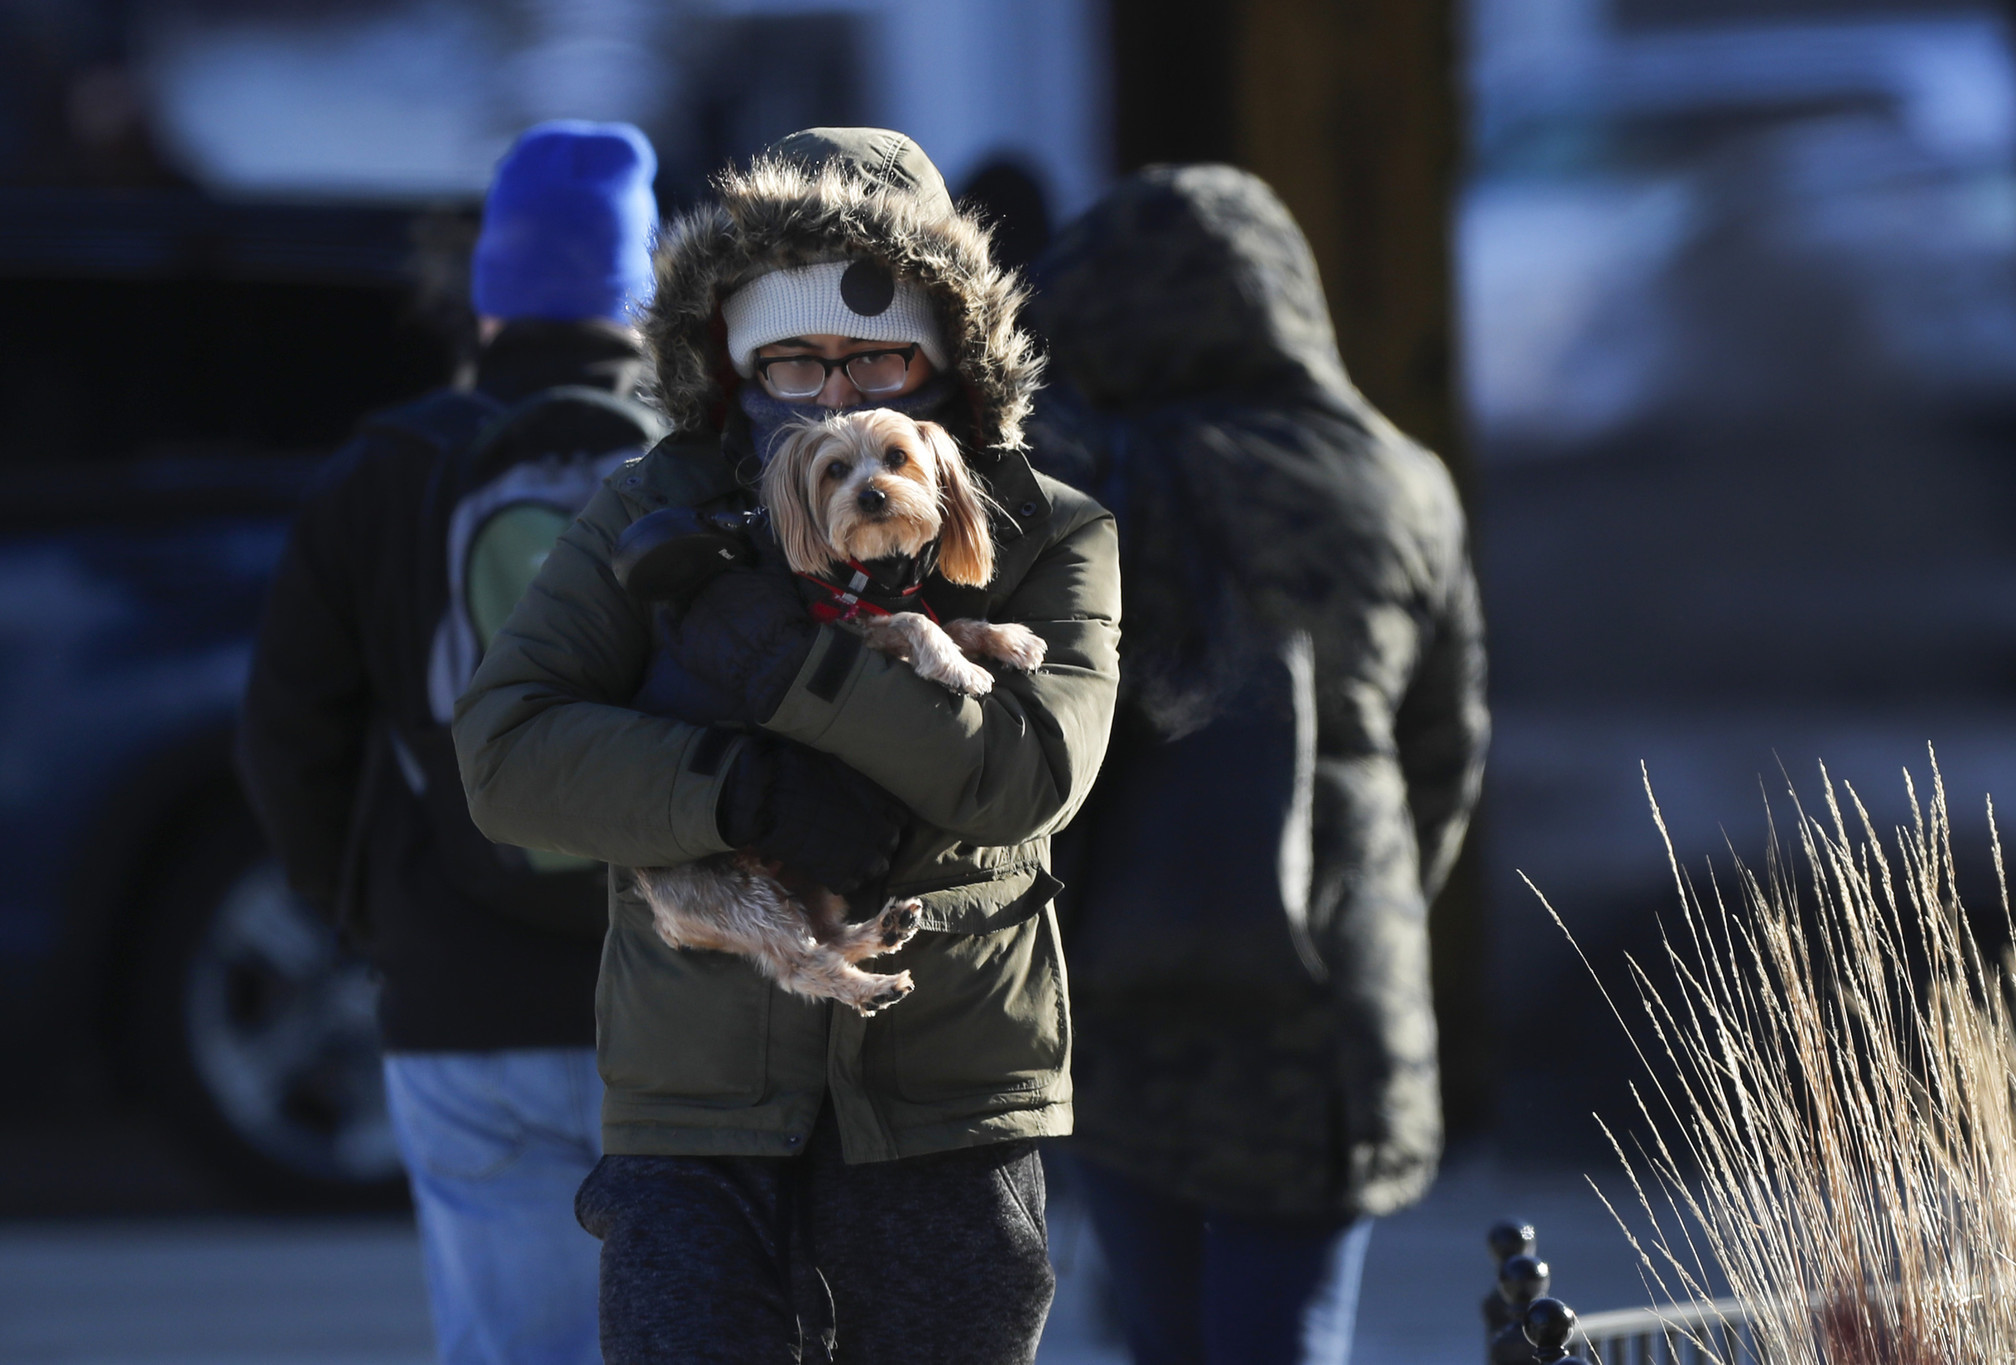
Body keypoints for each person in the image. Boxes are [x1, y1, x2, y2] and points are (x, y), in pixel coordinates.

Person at [450, 127, 1121, 1364]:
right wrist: (734, 788)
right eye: (796, 364)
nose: (840, 395)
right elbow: (506, 750)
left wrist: (790, 666)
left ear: (945, 352)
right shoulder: (644, 512)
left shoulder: (1045, 530)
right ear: (736, 359)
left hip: (944, 1088)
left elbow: (1028, 775)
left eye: (875, 357)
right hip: (696, 1092)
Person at [1025, 165, 1490, 1365]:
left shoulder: (1089, 476)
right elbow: (1443, 749)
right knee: (1289, 1334)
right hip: (1330, 993)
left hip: (1129, 979)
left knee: (1166, 1337)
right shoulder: (1402, 481)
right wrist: (1367, 897)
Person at [237, 121, 663, 1365]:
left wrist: (359, 907)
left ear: (489, 294)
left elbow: (283, 738)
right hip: (675, 997)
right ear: (643, 291)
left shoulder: (384, 471)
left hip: (454, 988)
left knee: (513, 1342)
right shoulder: (704, 474)